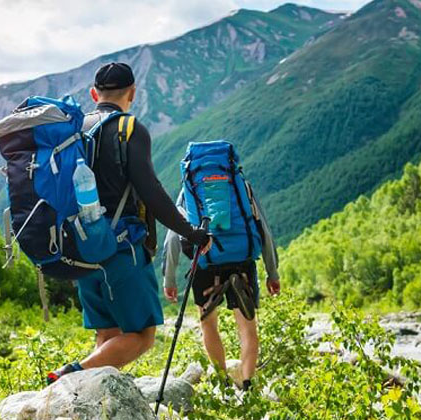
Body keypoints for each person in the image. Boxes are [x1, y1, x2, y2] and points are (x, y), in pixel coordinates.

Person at [46, 62, 211, 384]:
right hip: (121, 248)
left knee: (108, 335)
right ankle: (69, 376)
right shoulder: (128, 128)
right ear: (132, 93)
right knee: (141, 336)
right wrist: (190, 232)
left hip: (81, 249)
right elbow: (151, 191)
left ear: (94, 94)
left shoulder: (75, 132)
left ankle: (92, 402)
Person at [162, 188, 280, 391]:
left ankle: (224, 383)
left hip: (206, 260)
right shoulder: (240, 183)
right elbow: (263, 228)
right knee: (247, 329)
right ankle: (248, 385)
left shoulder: (189, 186)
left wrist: (169, 278)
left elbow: (173, 235)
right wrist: (272, 272)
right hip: (241, 260)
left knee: (208, 324)